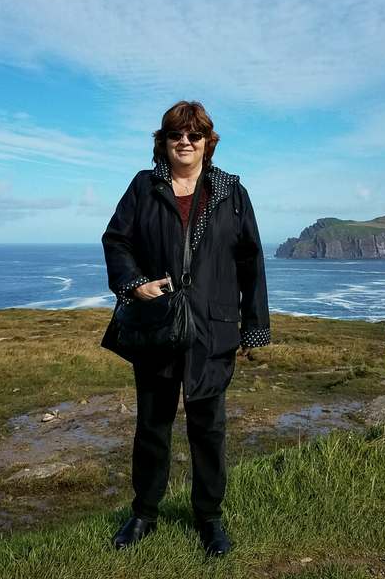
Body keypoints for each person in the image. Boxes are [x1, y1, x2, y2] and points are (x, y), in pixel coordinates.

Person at [102, 101, 270, 557]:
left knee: (208, 430)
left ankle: (210, 520)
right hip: (157, 327)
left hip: (212, 331)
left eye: (194, 135)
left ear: (206, 143)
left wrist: (254, 329)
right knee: (152, 427)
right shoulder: (144, 185)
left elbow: (251, 261)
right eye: (177, 134)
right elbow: (116, 240)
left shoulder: (231, 192)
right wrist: (135, 284)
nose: (185, 142)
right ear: (164, 141)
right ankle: (143, 514)